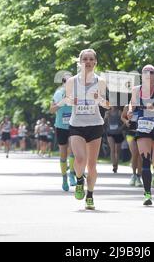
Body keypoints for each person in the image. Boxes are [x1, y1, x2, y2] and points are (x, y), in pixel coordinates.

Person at [64, 49, 109, 210]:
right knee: (80, 159)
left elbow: (107, 105)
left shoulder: (101, 81)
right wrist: (73, 100)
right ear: (80, 62)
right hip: (77, 124)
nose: (88, 62)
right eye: (85, 59)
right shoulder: (72, 81)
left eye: (91, 59)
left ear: (95, 62)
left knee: (92, 165)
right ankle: (79, 179)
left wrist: (100, 99)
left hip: (95, 124)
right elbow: (67, 101)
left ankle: (90, 195)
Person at [128, 65, 154, 206]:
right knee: (145, 160)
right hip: (143, 126)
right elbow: (132, 105)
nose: (148, 74)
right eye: (145, 72)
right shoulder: (136, 90)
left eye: (151, 72)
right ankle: (147, 194)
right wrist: (131, 111)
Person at [50, 73, 77, 191]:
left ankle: (71, 174)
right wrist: (61, 102)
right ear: (63, 82)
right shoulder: (58, 93)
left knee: (72, 149)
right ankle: (64, 178)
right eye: (66, 80)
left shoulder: (77, 92)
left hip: (73, 124)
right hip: (61, 126)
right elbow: (51, 110)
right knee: (63, 154)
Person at [121, 105, 143, 187]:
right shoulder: (127, 107)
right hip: (130, 133)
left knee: (141, 156)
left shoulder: (143, 106)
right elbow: (122, 117)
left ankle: (138, 176)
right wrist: (126, 121)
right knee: (135, 153)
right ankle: (133, 174)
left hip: (141, 133)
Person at [105, 106, 125, 173]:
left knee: (117, 151)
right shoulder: (107, 112)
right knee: (112, 149)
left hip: (118, 133)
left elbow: (125, 121)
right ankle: (114, 165)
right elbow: (104, 122)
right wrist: (106, 117)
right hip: (110, 133)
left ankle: (116, 164)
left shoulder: (119, 112)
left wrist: (121, 128)